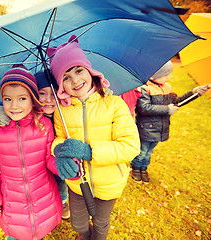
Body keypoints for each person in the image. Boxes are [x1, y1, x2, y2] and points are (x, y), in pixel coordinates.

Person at [47, 34, 140, 240]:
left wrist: (89, 151)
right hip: (77, 181)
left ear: (90, 71)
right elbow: (59, 138)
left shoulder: (114, 104)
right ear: (60, 84)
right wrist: (59, 152)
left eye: (78, 70)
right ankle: (84, 235)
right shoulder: (62, 111)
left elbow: (130, 146)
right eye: (66, 77)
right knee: (78, 223)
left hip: (109, 181)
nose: (75, 80)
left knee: (100, 222)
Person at [0, 65, 62, 240]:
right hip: (12, 200)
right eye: (8, 99)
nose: (14, 105)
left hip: (43, 195)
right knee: (16, 233)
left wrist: (63, 166)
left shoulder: (43, 125)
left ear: (33, 100)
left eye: (22, 98)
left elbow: (49, 157)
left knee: (39, 228)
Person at [131, 60, 211, 183]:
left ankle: (143, 169)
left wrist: (194, 92)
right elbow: (144, 108)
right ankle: (136, 169)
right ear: (153, 75)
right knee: (142, 151)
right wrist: (167, 109)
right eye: (165, 74)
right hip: (146, 127)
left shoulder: (167, 87)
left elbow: (176, 102)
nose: (169, 76)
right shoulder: (145, 89)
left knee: (149, 152)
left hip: (160, 127)